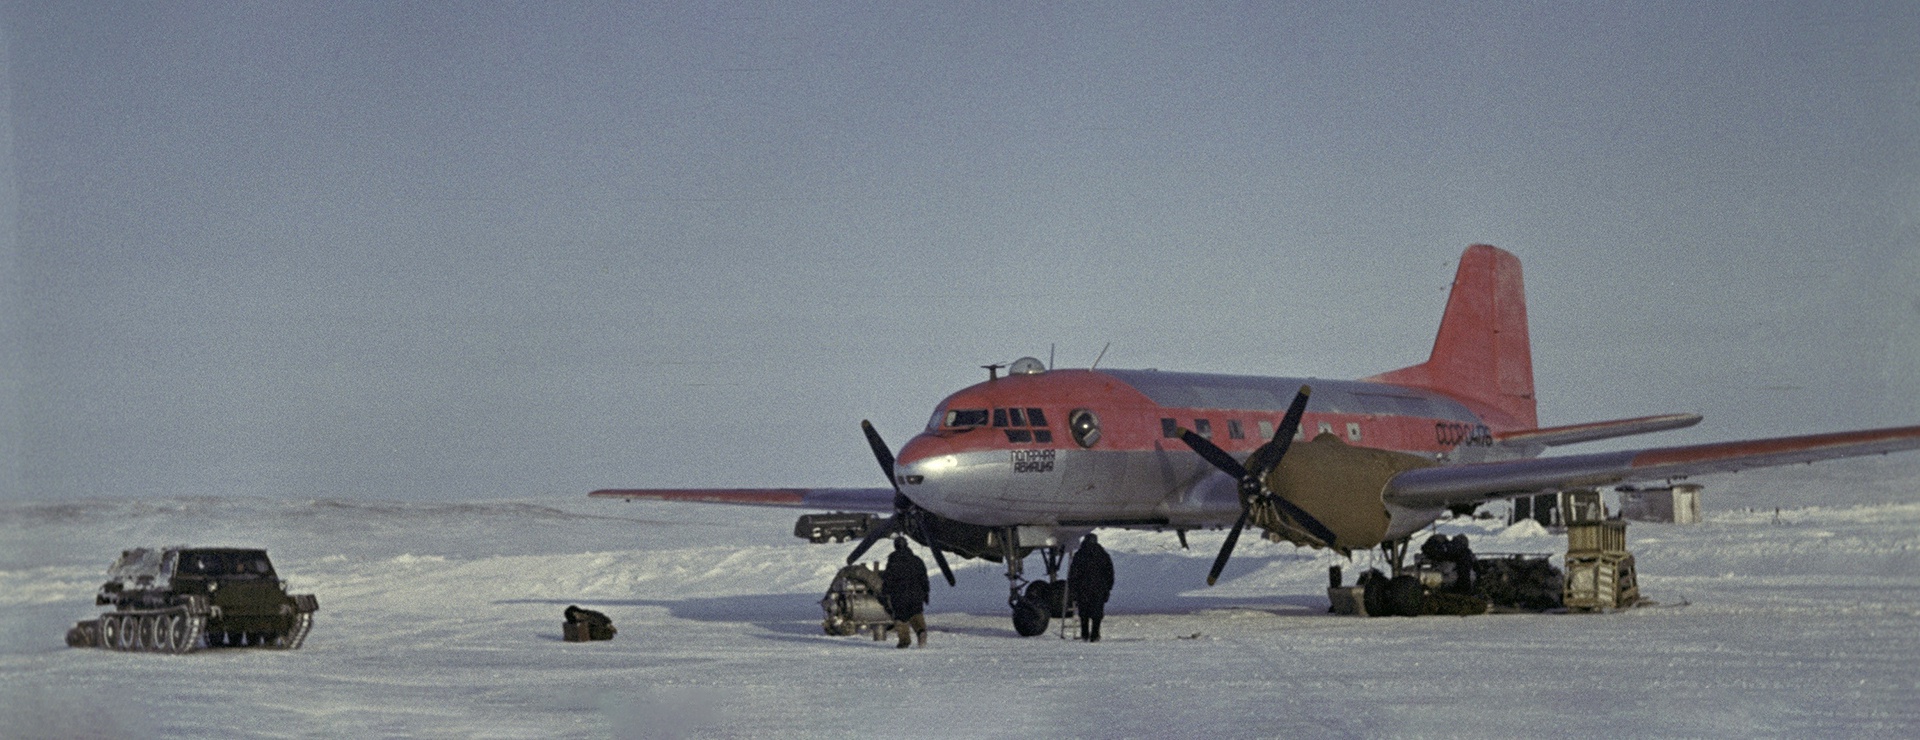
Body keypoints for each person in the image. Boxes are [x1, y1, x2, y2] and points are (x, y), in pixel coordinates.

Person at [881, 537, 930, 648]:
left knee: (901, 618)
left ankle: (904, 641)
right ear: (907, 545)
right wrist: (926, 593)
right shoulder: (917, 560)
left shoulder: (893, 561)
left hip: (899, 595)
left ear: (895, 546)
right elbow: (924, 578)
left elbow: (888, 579)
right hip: (916, 594)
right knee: (916, 614)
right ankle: (921, 632)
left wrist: (885, 593)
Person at [1067, 532, 1114, 642]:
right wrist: (1108, 588)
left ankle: (1084, 634)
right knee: (1097, 613)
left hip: (1082, 589)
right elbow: (1110, 573)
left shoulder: (1079, 555)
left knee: (1084, 613)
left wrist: (1073, 590)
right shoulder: (1103, 555)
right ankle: (1095, 634)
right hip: (1099, 589)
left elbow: (1073, 574)